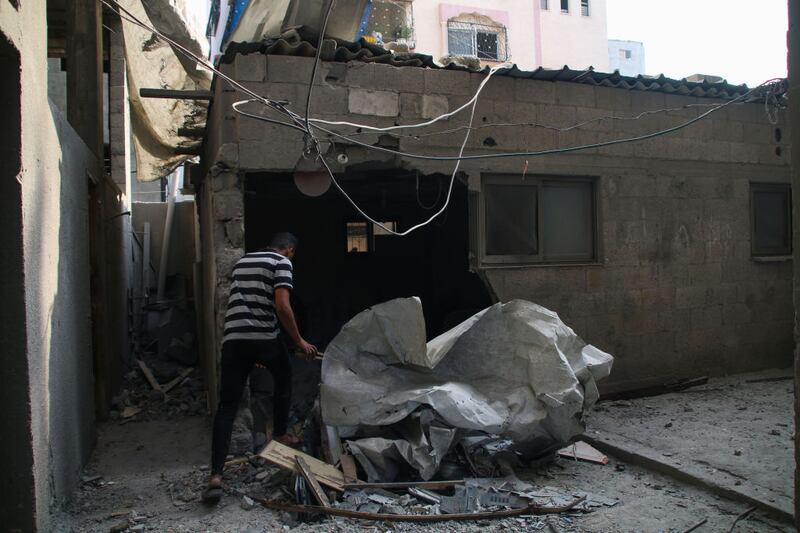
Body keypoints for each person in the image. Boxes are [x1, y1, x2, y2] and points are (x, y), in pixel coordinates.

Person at [203, 232, 317, 502]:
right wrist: (300, 341)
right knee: (284, 376)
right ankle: (280, 435)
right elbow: (282, 305)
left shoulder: (242, 262)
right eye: (292, 254)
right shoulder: (282, 262)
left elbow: (244, 304)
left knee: (227, 407)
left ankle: (216, 475)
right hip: (264, 338)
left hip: (234, 340)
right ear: (288, 250)